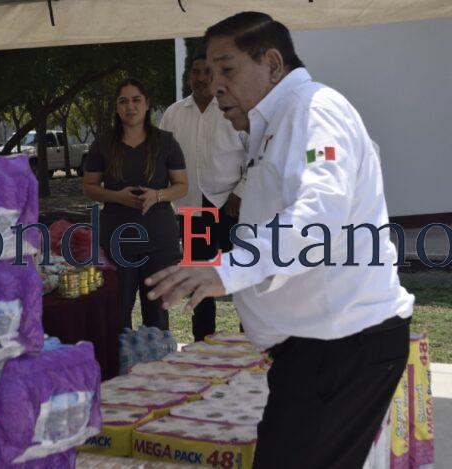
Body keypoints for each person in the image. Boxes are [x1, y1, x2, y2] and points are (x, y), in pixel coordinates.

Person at [145, 12, 413, 469]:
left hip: (341, 344)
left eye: (227, 70)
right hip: (314, 348)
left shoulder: (314, 111)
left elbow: (318, 218)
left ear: (272, 64)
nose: (215, 86)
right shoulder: (276, 122)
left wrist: (226, 269)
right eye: (209, 73)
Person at [83, 78, 188, 331]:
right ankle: (119, 357)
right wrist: (117, 196)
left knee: (157, 316)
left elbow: (182, 185)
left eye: (136, 100)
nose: (130, 106)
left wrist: (158, 195)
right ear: (117, 108)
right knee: (118, 313)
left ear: (147, 104)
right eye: (123, 101)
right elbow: (89, 187)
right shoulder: (103, 144)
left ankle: (158, 356)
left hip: (159, 239)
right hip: (117, 240)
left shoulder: (166, 142)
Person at [159, 53, 246, 341]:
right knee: (199, 281)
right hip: (191, 210)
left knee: (240, 277)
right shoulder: (173, 114)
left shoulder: (232, 108)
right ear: (189, 77)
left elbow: (255, 154)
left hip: (231, 207)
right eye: (196, 72)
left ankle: (248, 342)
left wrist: (240, 193)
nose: (201, 78)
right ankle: (203, 344)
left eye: (207, 72)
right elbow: (161, 159)